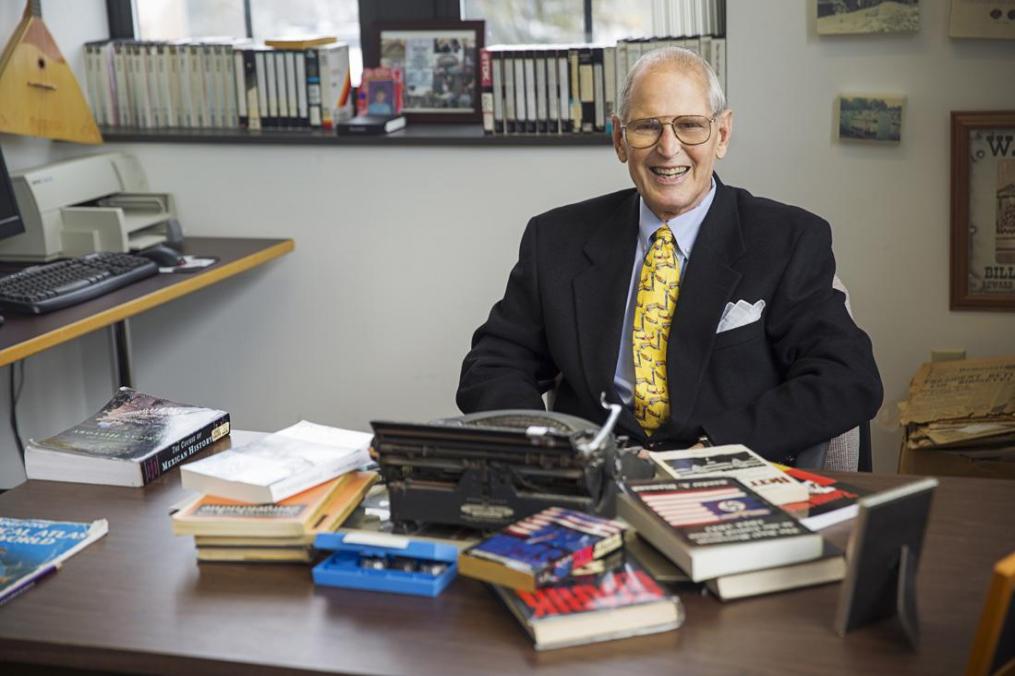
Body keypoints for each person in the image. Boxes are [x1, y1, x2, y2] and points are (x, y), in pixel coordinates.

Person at [456, 47, 883, 464]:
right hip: (598, 477)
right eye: (647, 127)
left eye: (690, 125)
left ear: (722, 134)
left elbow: (847, 377)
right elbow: (492, 364)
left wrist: (714, 451)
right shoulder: (555, 239)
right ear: (620, 139)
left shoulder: (787, 239)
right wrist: (550, 449)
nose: (668, 148)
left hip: (725, 473)